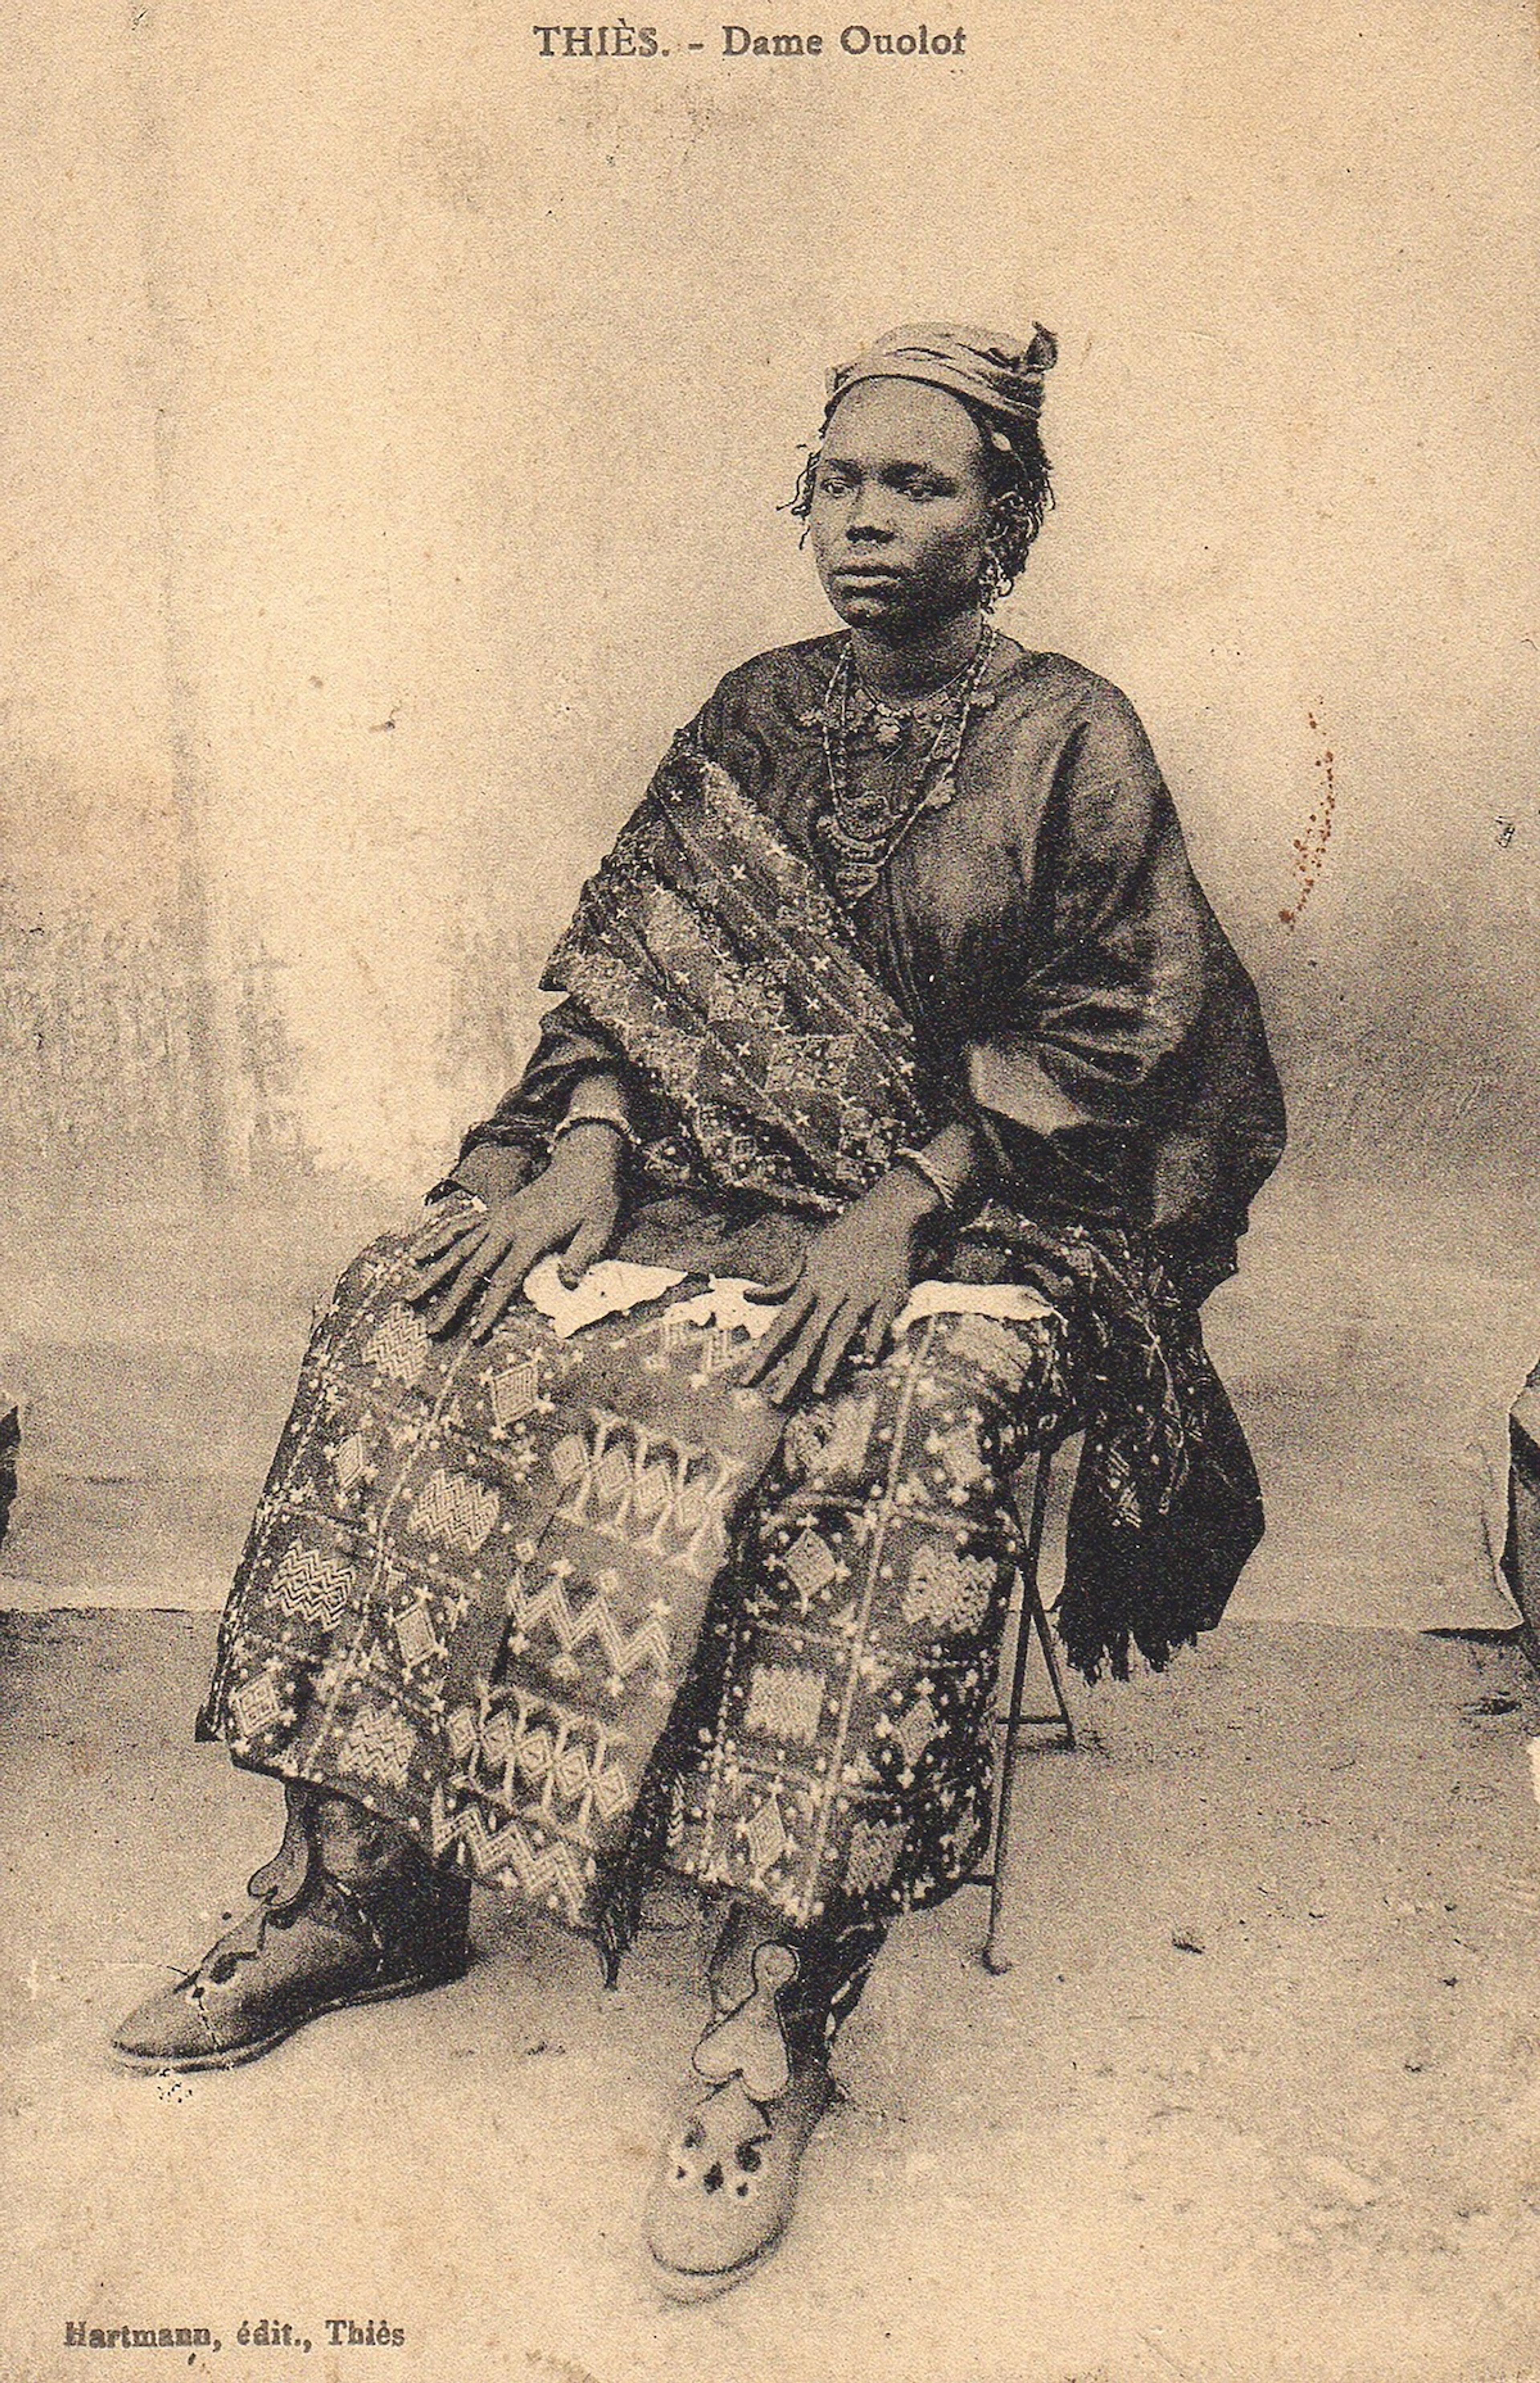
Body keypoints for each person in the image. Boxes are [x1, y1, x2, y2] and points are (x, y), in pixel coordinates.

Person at [113, 322, 1285, 2300]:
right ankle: (363, 1886)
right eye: (839, 483)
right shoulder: (753, 709)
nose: (867, 521)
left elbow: (1129, 1031)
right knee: (412, 1319)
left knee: (877, 1425)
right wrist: (580, 1139)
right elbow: (631, 983)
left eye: (920, 486)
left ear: (1011, 518)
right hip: (696, 1177)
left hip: (988, 1213)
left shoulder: (1075, 735)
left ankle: (772, 2006)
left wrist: (906, 1205)